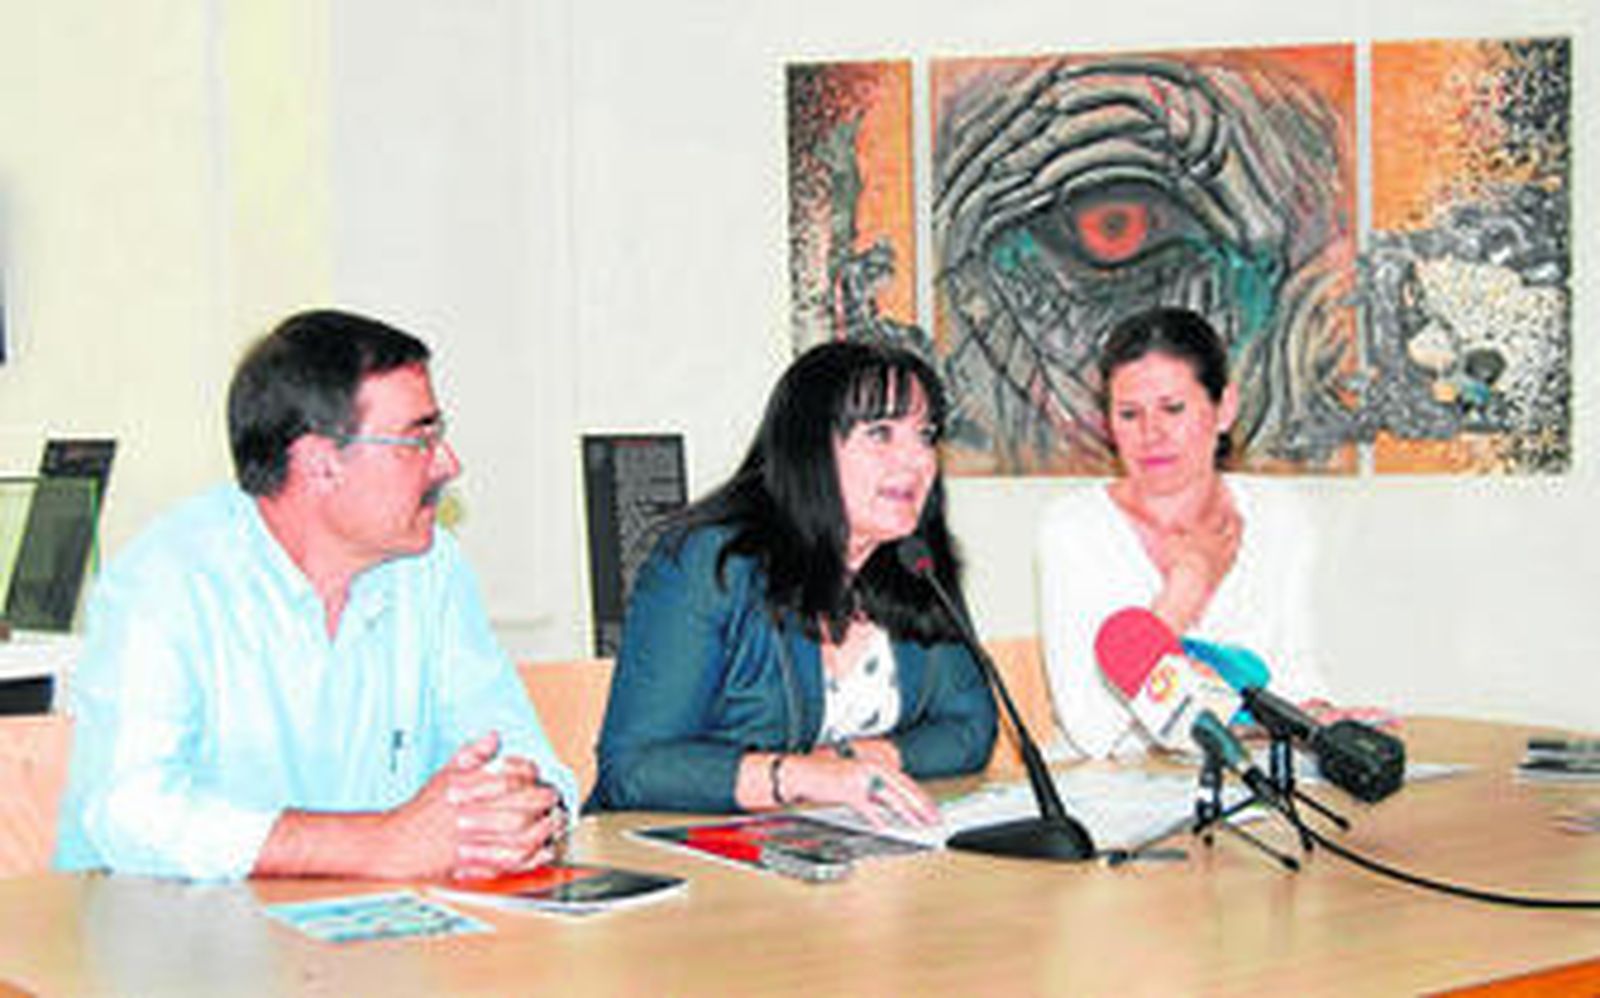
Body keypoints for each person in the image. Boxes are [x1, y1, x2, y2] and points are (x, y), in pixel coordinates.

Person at [55, 309, 576, 881]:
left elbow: (516, 749)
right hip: (177, 947)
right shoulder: (166, 581)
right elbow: (132, 812)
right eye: (418, 439)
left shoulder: (430, 568)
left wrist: (521, 812)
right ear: (320, 464)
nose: (448, 464)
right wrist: (375, 844)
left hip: (378, 940)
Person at [591, 340, 997, 825]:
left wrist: (857, 762)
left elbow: (970, 729)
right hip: (696, 857)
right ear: (810, 448)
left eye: (925, 435)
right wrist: (805, 778)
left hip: (848, 859)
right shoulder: (709, 561)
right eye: (881, 433)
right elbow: (634, 767)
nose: (915, 461)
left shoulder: (913, 564)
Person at [1038, 307, 1387, 759]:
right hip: (1117, 794)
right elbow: (1093, 730)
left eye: (1173, 408)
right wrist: (1184, 593)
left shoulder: (1279, 515)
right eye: (1129, 414)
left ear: (1224, 409)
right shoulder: (1074, 528)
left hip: (1254, 780)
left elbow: (1294, 679)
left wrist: (1319, 716)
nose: (1151, 434)